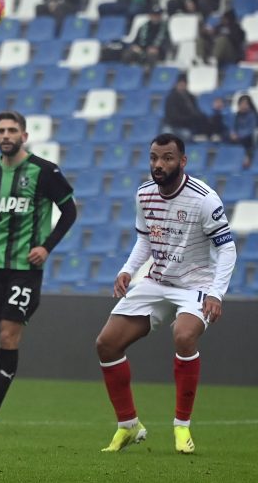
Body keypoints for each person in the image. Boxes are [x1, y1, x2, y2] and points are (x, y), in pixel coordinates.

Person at [95, 133, 235, 455]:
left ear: (182, 161)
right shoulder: (144, 194)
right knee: (106, 343)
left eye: (167, 158)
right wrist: (127, 270)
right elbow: (145, 239)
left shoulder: (204, 198)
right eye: (154, 158)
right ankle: (128, 426)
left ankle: (181, 428)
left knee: (184, 336)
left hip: (196, 284)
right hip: (157, 281)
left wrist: (216, 293)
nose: (159, 164)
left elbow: (227, 249)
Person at [0, 111, 77, 433]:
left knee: (9, 336)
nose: (6, 135)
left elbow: (69, 210)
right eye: (1, 130)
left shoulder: (44, 171)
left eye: (12, 130)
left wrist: (47, 246)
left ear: (24, 136)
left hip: (25, 269)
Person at [163, 75, 221, 139]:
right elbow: (172, 116)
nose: (182, 86)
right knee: (168, 136)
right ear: (176, 84)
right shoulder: (171, 98)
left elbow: (195, 111)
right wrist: (189, 118)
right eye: (180, 84)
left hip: (186, 126)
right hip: (172, 125)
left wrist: (193, 118)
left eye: (184, 84)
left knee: (187, 135)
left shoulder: (190, 97)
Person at [228, 94, 257, 169]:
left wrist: (239, 135)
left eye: (245, 104)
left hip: (248, 139)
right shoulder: (236, 115)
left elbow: (251, 129)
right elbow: (232, 127)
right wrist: (232, 133)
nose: (243, 106)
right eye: (242, 103)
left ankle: (247, 158)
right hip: (237, 139)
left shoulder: (252, 115)